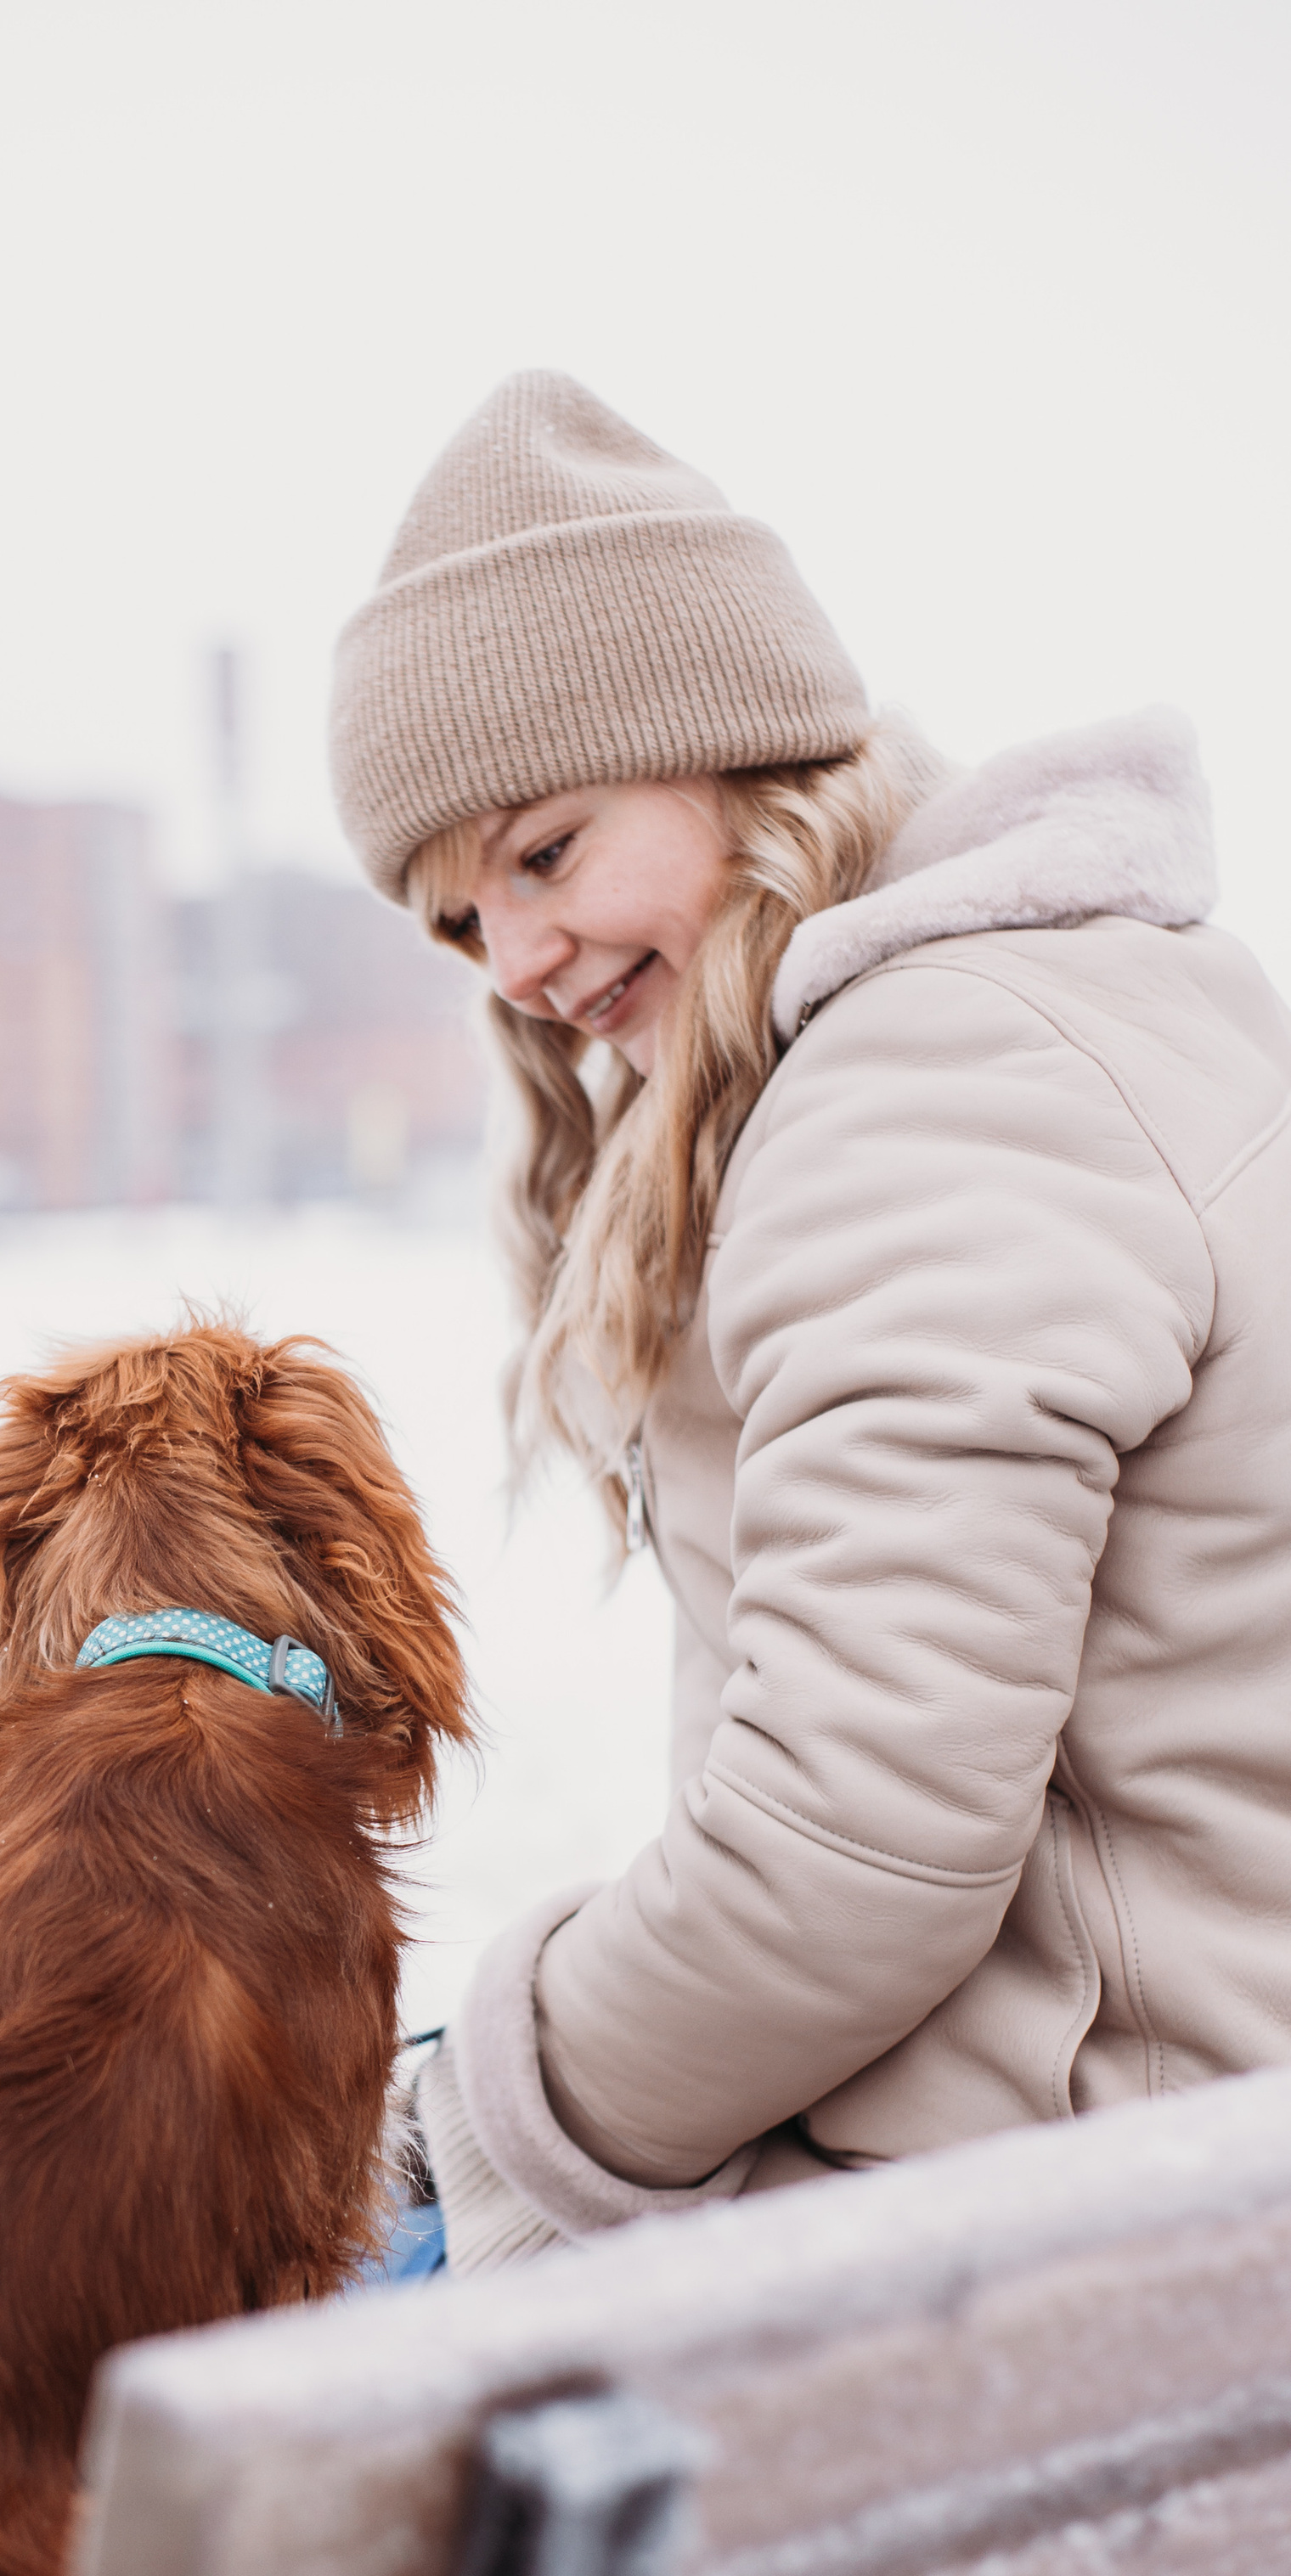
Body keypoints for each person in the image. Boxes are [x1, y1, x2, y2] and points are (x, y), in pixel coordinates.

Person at [331, 371, 1291, 2273]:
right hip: (1164, 2126)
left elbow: (851, 1847)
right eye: (456, 922)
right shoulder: (1090, 992)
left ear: (736, 754)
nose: (515, 964)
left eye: (544, 853)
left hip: (1096, 2219)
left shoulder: (932, 1093)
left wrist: (495, 2125)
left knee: (230, 2327)